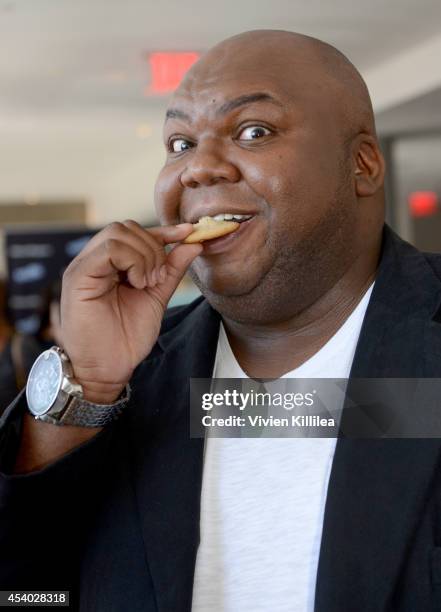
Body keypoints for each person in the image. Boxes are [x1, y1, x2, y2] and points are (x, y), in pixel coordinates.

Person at [1, 29, 441, 612]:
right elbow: (30, 596)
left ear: (361, 164)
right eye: (179, 143)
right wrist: (86, 386)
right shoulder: (130, 382)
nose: (197, 169)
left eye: (254, 132)